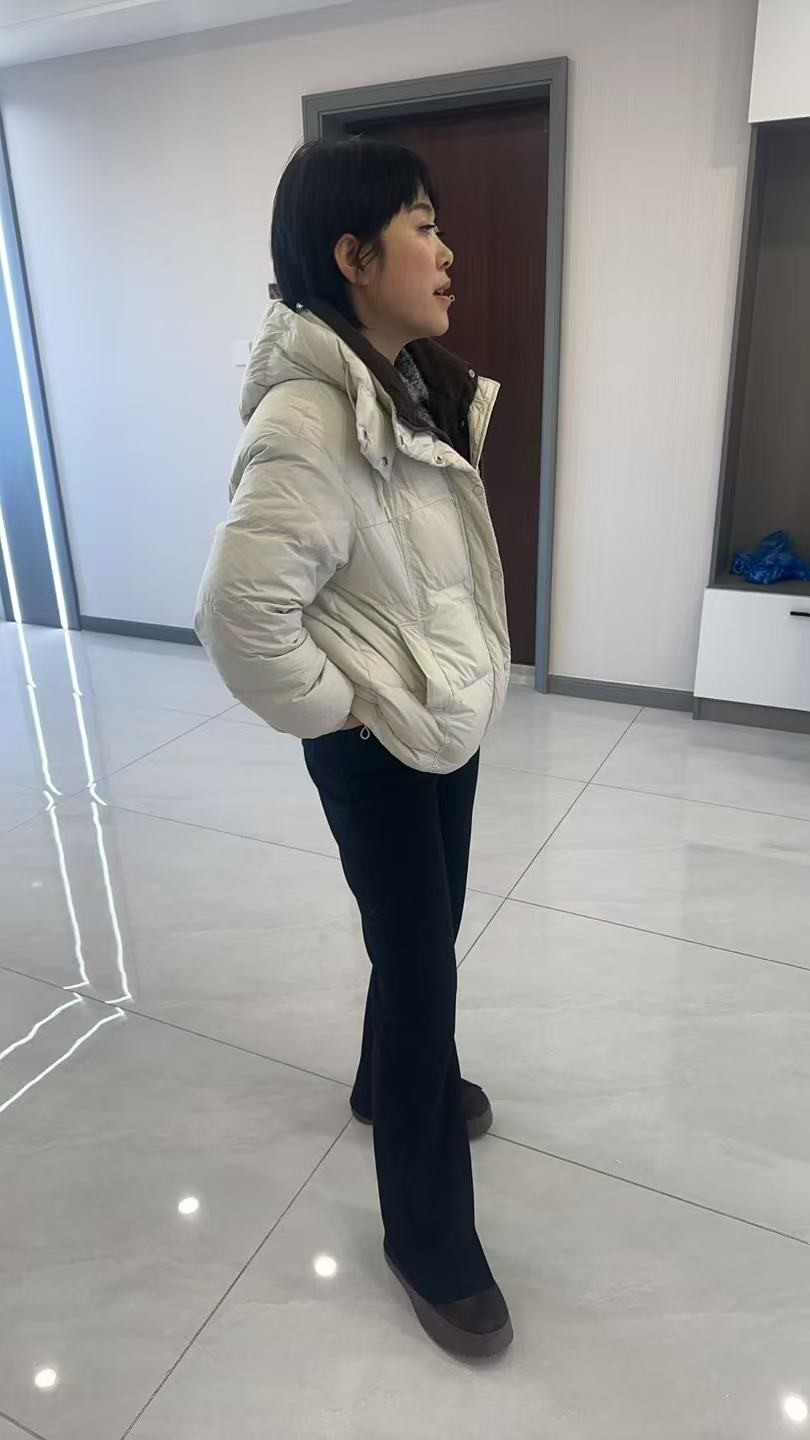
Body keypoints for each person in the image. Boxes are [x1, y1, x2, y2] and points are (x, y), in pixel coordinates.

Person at [196, 137, 512, 1358]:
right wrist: (348, 709)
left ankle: (388, 1082)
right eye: (422, 225)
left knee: (424, 934)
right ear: (353, 256)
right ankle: (429, 1239)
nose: (445, 250)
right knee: (422, 968)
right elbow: (241, 617)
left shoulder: (411, 381)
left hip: (437, 717)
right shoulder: (311, 415)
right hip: (379, 738)